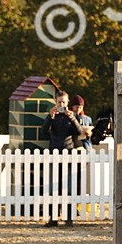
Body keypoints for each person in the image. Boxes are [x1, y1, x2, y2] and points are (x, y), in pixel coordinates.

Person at [41, 91, 84, 227]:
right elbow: (44, 132)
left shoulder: (72, 116)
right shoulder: (53, 116)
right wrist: (50, 117)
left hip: (68, 153)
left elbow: (78, 132)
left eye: (64, 102)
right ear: (56, 102)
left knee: (69, 187)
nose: (62, 105)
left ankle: (69, 218)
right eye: (59, 102)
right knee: (54, 187)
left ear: (67, 102)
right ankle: (53, 218)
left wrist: (73, 118)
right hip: (54, 153)